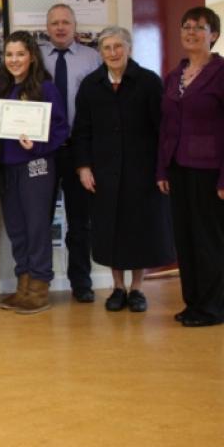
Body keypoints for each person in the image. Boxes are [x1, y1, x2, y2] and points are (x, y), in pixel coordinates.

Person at [73, 26, 173, 313]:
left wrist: (161, 170)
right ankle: (117, 287)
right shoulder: (91, 85)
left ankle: (137, 289)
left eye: (118, 47)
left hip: (141, 172)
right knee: (111, 231)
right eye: (107, 48)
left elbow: (162, 131)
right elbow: (82, 131)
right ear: (100, 52)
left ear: (128, 49)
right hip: (103, 173)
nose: (113, 53)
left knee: (138, 230)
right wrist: (83, 167)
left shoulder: (149, 82)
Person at [157, 6, 224, 327]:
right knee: (184, 238)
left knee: (209, 240)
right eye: (186, 26)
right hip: (178, 169)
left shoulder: (221, 73)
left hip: (210, 170)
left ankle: (213, 308)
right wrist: (161, 170)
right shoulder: (174, 75)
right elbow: (166, 127)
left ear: (214, 34)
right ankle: (193, 302)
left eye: (199, 27)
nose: (191, 32)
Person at [0, 31, 69, 314]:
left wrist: (38, 146)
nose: (14, 60)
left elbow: (61, 128)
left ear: (31, 57)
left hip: (36, 166)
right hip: (8, 168)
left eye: (20, 54)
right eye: (9, 54)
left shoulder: (45, 87)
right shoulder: (3, 89)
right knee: (16, 229)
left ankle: (39, 289)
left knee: (37, 227)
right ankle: (23, 285)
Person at [40, 3, 101, 303]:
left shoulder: (93, 58)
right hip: (44, 150)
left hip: (80, 150)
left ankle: (82, 282)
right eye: (55, 23)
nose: (60, 27)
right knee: (39, 218)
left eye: (66, 22)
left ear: (74, 26)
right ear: (47, 27)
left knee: (80, 222)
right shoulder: (35, 58)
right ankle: (39, 282)